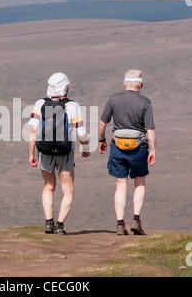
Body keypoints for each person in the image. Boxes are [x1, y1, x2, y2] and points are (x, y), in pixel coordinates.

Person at [29, 72, 90, 235]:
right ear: (65, 87)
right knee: (68, 190)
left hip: (45, 151)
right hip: (65, 152)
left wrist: (31, 153)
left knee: (48, 186)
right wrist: (85, 148)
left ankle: (48, 223)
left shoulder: (40, 103)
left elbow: (33, 131)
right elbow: (81, 133)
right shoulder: (73, 106)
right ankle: (60, 225)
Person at [98, 69, 156, 235]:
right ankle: (136, 220)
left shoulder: (113, 99)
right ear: (141, 84)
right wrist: (153, 149)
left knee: (121, 185)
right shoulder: (145, 102)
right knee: (139, 182)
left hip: (118, 147)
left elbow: (102, 124)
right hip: (139, 148)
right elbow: (150, 129)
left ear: (124, 83)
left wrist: (102, 141)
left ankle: (119, 224)